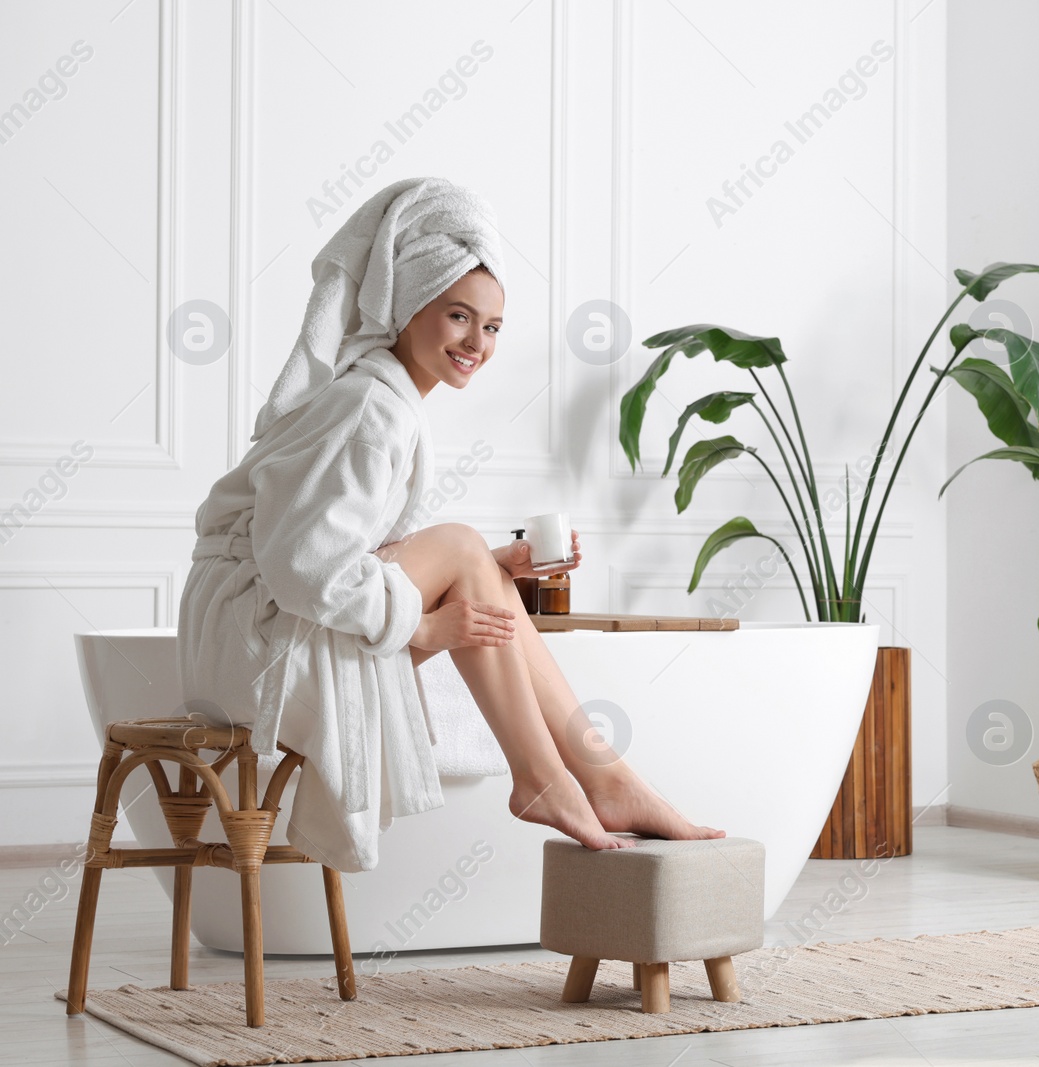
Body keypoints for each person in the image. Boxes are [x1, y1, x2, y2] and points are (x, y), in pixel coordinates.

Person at [177, 177, 721, 873]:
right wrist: (423, 624)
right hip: (251, 652)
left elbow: (344, 550)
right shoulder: (370, 407)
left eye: (492, 326)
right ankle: (562, 777)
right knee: (465, 550)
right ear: (407, 307)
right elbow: (298, 563)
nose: (477, 342)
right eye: (458, 316)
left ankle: (597, 776)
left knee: (479, 563)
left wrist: (493, 566)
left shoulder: (383, 397)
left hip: (247, 639)